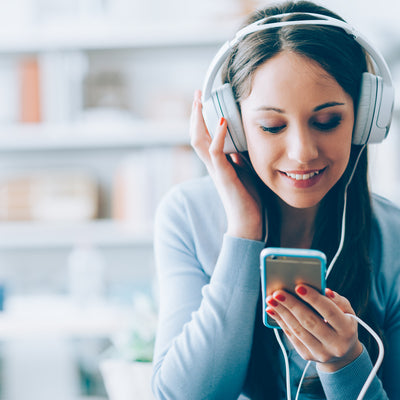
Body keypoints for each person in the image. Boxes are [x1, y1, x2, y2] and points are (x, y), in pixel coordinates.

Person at [151, 1, 400, 399]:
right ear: (232, 126)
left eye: (327, 121)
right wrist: (243, 233)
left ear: (366, 118)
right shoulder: (186, 216)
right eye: (271, 126)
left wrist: (346, 363)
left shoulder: (393, 237)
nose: (302, 152)